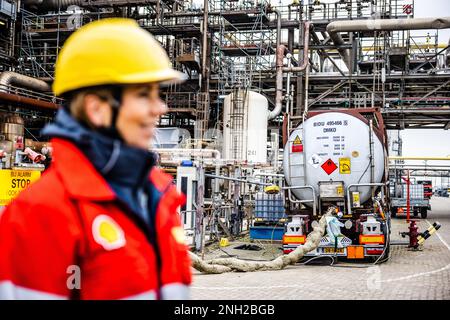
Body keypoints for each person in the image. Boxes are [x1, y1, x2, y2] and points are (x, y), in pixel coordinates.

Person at [0, 18, 192, 300]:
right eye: (143, 95)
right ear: (97, 108)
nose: (160, 108)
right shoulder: (42, 214)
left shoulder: (158, 193)